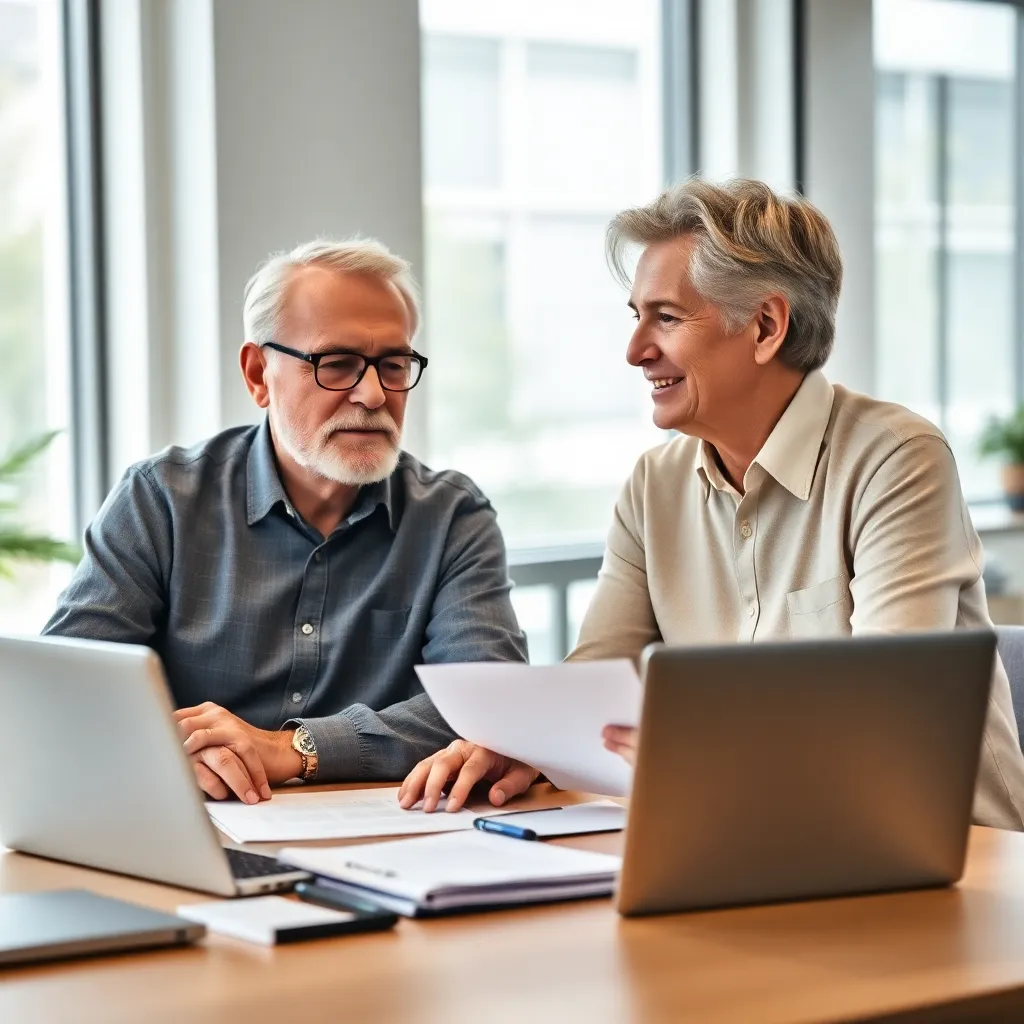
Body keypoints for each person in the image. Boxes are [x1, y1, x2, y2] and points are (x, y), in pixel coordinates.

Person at [399, 177, 1024, 831]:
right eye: (637, 317)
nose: (636, 352)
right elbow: (594, 684)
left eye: (666, 318)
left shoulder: (897, 458)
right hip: (755, 837)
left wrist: (699, 744)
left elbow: (887, 710)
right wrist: (523, 744)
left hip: (950, 850)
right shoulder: (654, 486)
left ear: (766, 326)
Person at [45, 238, 527, 804]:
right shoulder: (162, 500)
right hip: (192, 819)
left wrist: (294, 749)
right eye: (337, 364)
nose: (374, 394)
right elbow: (66, 692)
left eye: (394, 365)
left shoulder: (451, 517)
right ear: (258, 374)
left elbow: (492, 704)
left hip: (384, 833)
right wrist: (175, 749)